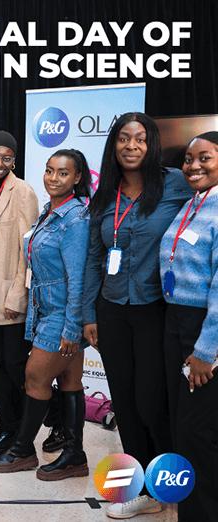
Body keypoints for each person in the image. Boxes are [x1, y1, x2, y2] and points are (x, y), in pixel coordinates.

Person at [81, 113, 193, 519]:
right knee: (124, 402)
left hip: (155, 310)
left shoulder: (175, 184)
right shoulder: (105, 195)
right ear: (113, 146)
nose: (131, 146)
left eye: (140, 139)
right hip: (111, 311)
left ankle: (169, 483)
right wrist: (88, 313)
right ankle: (139, 489)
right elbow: (95, 257)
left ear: (152, 145)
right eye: (124, 139)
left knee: (152, 401)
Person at [0, 149, 91, 482]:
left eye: (62, 173)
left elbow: (78, 279)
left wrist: (71, 328)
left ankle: (22, 450)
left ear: (77, 177)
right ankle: (75, 456)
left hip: (61, 317)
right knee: (71, 381)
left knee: (34, 378)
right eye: (49, 170)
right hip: (46, 312)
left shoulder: (75, 219)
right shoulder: (49, 212)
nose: (53, 178)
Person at [158, 131, 218, 521]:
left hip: (203, 330)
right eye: (189, 159)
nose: (194, 166)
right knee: (184, 430)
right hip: (176, 322)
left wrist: (206, 352)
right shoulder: (193, 203)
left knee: (199, 435)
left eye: (205, 158)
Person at [0, 131, 40, 455]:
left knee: (16, 369)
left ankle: (45, 421)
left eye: (6, 158)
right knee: (0, 370)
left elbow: (28, 251)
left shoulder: (23, 192)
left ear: (14, 160)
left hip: (10, 300)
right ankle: (7, 429)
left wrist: (18, 296)